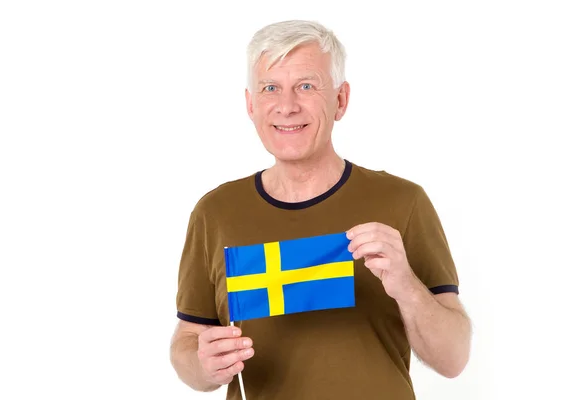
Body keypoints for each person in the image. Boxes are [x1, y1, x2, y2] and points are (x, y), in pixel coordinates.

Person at [169, 19, 471, 400]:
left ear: (340, 100)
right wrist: (203, 364)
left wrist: (407, 287)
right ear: (250, 104)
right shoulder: (215, 212)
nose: (287, 106)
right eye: (270, 88)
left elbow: (454, 359)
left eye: (306, 86)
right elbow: (187, 341)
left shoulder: (402, 202)